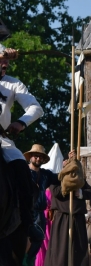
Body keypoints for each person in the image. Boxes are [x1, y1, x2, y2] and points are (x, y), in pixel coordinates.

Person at [0, 43, 44, 264]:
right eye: (1, 60)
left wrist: (20, 122)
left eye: (6, 61)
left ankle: (27, 222)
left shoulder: (13, 84)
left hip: (2, 141)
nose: (5, 64)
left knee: (23, 173)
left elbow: (35, 107)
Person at [44, 151, 91, 266]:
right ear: (63, 162)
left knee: (79, 250)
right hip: (62, 218)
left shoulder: (80, 179)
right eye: (67, 161)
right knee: (60, 250)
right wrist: (68, 185)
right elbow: (56, 192)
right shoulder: (57, 177)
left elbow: (90, 193)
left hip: (78, 218)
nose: (68, 163)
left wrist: (79, 191)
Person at [23, 144, 60, 266]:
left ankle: (30, 263)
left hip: (40, 215)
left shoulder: (45, 174)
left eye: (40, 157)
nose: (38, 159)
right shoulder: (23, 172)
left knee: (37, 243)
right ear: (30, 157)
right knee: (24, 243)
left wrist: (71, 163)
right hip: (26, 214)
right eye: (35, 156)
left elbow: (61, 177)